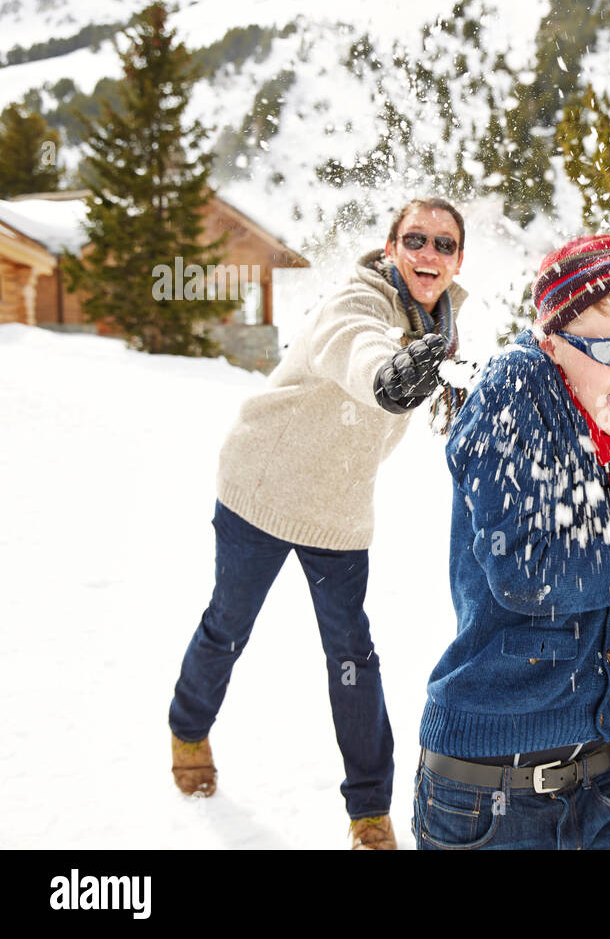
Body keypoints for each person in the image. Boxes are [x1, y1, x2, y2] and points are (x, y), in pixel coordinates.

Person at [168, 197, 468, 850]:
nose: (429, 253)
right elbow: (352, 345)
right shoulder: (357, 299)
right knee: (228, 625)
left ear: (457, 261)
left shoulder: (442, 330)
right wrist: (383, 376)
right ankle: (188, 727)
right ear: (390, 250)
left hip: (337, 508)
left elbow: (447, 390)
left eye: (444, 244)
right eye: (415, 239)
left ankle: (368, 812)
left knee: (352, 657)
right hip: (262, 488)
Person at [411, 234, 610, 850]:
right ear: (552, 339)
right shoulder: (518, 384)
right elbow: (533, 574)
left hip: (596, 777)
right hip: (490, 794)